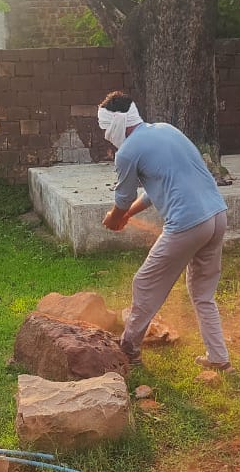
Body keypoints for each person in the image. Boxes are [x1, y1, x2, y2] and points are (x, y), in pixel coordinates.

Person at [97, 91, 232, 371]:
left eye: (104, 129)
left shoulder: (127, 152)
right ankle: (219, 358)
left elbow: (122, 200)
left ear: (116, 124)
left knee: (145, 283)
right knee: (203, 293)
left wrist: (114, 217)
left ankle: (129, 350)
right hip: (217, 215)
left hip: (187, 224)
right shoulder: (166, 130)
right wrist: (126, 216)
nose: (104, 136)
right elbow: (151, 192)